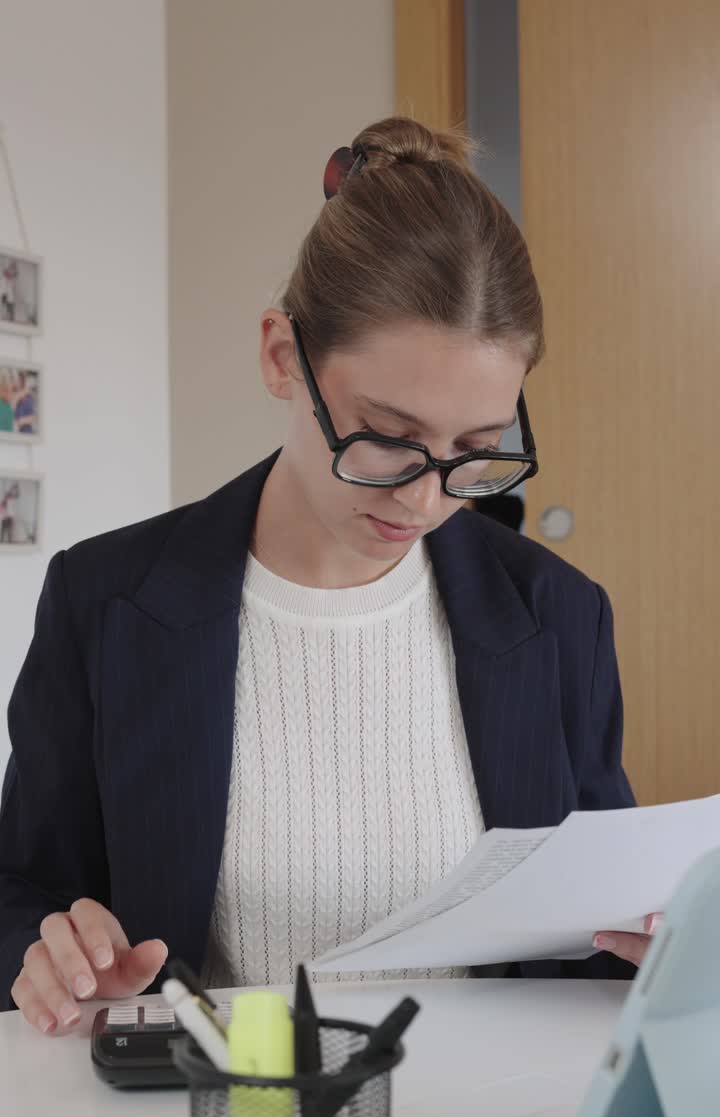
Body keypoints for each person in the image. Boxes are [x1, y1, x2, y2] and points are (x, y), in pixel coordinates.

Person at [0, 116, 657, 1037]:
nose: (426, 500)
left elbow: (599, 940)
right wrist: (49, 951)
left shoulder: (558, 616)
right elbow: (23, 893)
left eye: (474, 451)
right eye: (388, 439)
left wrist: (668, 942)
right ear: (282, 357)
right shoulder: (105, 602)